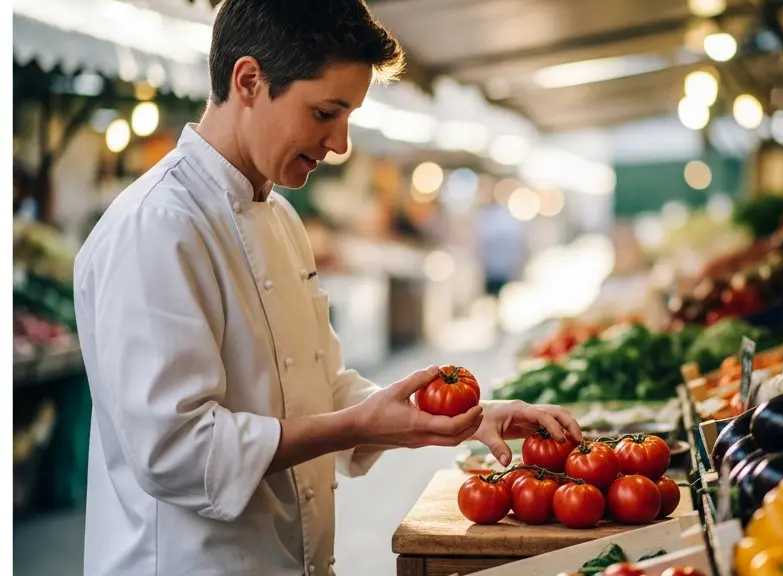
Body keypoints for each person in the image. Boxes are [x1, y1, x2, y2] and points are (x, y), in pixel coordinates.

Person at [72, 2, 582, 574]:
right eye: (324, 112)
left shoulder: (283, 220)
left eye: (348, 117)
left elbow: (325, 391)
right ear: (248, 81)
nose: (339, 144)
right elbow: (176, 452)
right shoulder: (157, 226)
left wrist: (457, 418)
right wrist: (358, 426)